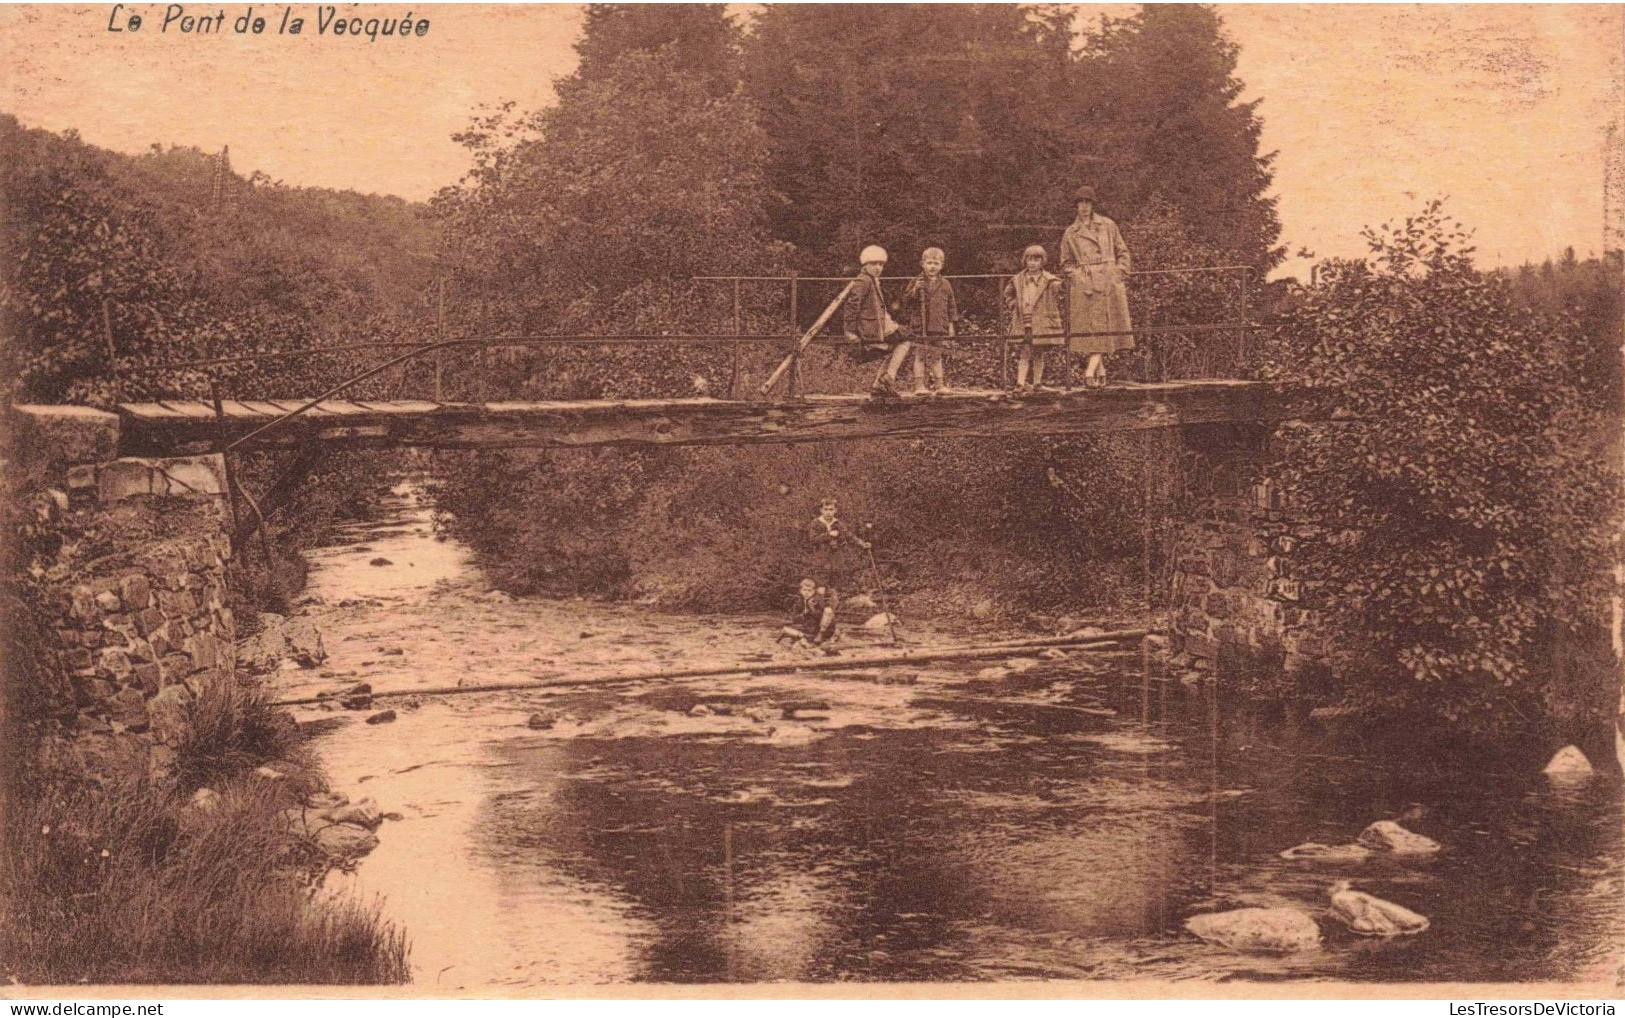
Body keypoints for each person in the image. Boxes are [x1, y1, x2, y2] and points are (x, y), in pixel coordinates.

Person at [1059, 185, 1132, 387]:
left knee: (1105, 327)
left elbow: (1123, 252)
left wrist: (1119, 273)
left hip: (1109, 282)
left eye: (1087, 203)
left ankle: (1092, 372)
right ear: (1076, 206)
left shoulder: (1108, 225)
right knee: (1095, 330)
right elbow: (1065, 263)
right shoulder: (1071, 233)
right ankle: (1098, 372)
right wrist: (1079, 277)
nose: (1084, 207)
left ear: (1093, 205)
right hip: (1087, 286)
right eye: (1080, 203)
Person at [842, 245, 908, 399]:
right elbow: (852, 305)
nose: (878, 267)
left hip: (880, 324)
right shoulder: (863, 280)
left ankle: (880, 385)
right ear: (864, 265)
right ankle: (888, 377)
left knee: (897, 345)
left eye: (881, 264)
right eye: (874, 264)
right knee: (905, 340)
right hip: (872, 326)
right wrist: (849, 330)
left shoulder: (872, 279)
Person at [893, 247, 959, 394]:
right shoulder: (916, 281)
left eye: (936, 263)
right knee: (920, 356)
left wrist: (951, 324)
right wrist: (915, 289)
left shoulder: (946, 284)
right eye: (929, 263)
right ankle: (919, 386)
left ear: (942, 265)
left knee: (937, 356)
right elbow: (906, 300)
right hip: (920, 325)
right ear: (922, 264)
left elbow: (951, 306)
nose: (932, 266)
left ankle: (939, 385)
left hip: (938, 325)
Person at [1003, 244, 1065, 390]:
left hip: (1041, 322)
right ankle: (1020, 383)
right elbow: (1007, 294)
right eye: (1029, 259)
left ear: (1042, 261)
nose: (1032, 263)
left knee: (1039, 353)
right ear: (1025, 260)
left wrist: (1057, 286)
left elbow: (1059, 292)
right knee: (1025, 352)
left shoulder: (1050, 280)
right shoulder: (1018, 279)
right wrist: (1014, 306)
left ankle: (1037, 383)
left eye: (1036, 260)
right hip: (1024, 321)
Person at [805, 496, 870, 617]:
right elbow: (812, 539)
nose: (828, 512)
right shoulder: (816, 523)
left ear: (835, 510)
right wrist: (828, 535)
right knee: (820, 586)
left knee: (834, 586)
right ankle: (817, 614)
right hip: (821, 559)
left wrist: (862, 544)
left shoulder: (838, 523)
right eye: (826, 509)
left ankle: (831, 614)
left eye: (831, 509)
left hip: (835, 559)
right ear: (821, 510)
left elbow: (849, 535)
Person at [779, 578, 836, 648]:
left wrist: (812, 609)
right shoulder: (799, 602)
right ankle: (804, 637)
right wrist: (804, 614)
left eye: (809, 590)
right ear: (800, 591)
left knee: (828, 611)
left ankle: (819, 637)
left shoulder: (817, 600)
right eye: (804, 590)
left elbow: (823, 616)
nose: (806, 593)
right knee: (786, 630)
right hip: (807, 628)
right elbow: (794, 618)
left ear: (814, 591)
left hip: (819, 628)